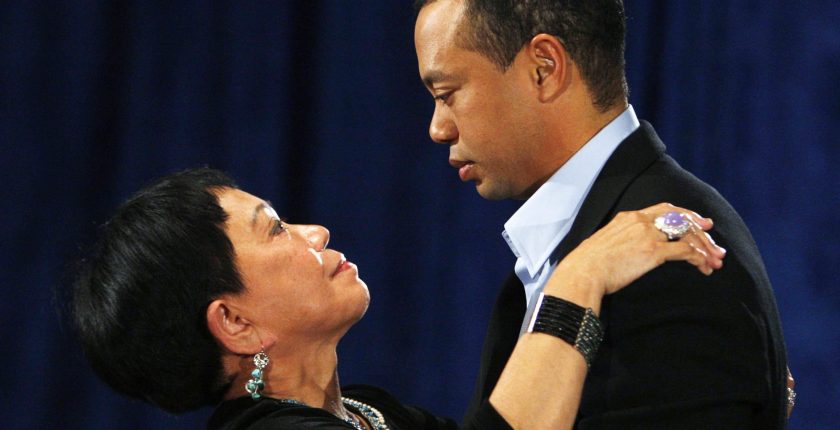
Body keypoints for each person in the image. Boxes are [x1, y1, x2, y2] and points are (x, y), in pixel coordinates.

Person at [72, 168, 724, 429]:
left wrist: (711, 390)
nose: (315, 231)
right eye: (274, 228)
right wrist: (583, 274)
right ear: (236, 323)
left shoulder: (371, 414)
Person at [413, 0, 791, 428]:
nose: (438, 128)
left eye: (447, 95)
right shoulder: (598, 244)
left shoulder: (669, 262)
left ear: (544, 67)